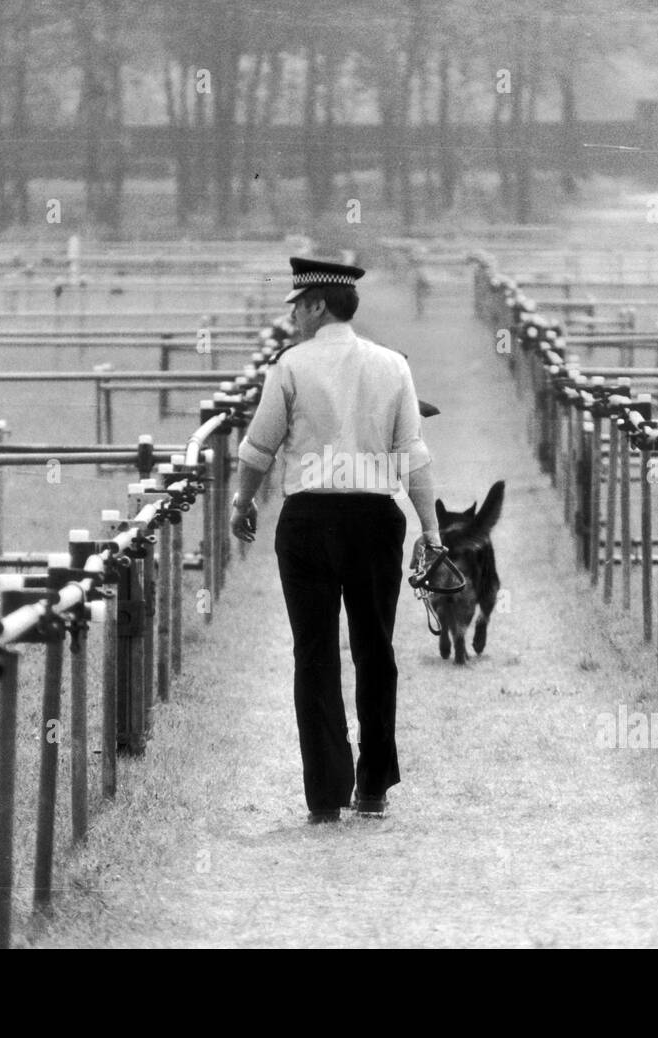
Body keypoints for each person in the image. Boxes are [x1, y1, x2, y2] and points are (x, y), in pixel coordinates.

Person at [230, 256, 442, 824]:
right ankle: (372, 787)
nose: (295, 315)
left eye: (299, 304)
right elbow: (413, 454)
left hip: (309, 522)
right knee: (375, 651)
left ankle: (325, 793)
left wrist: (242, 500)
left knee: (314, 655)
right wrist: (431, 528)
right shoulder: (393, 366)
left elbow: (258, 447)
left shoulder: (291, 365)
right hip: (375, 520)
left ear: (318, 304)